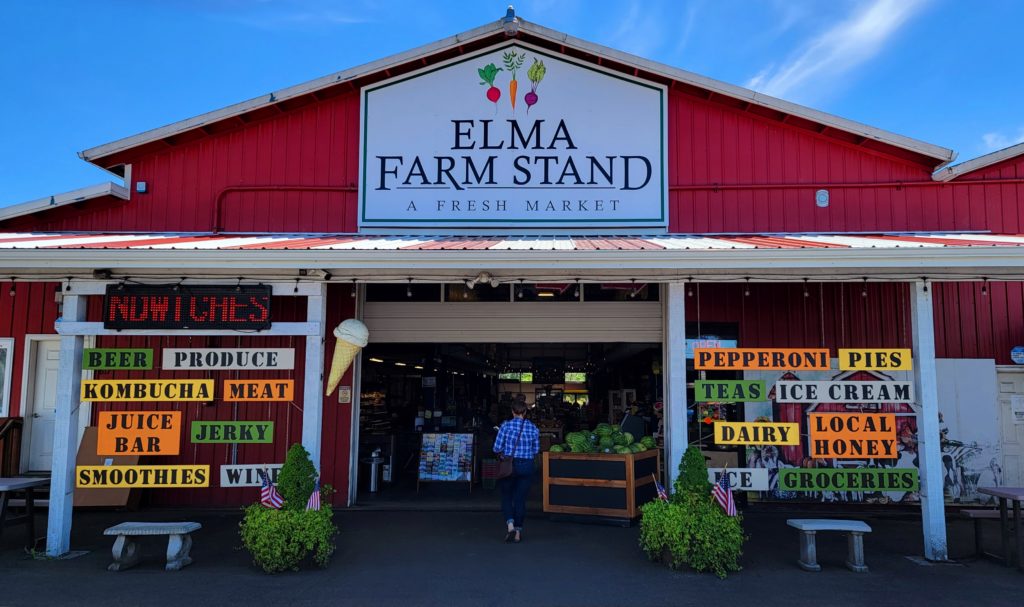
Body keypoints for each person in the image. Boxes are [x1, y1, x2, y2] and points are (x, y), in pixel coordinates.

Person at [493, 401, 540, 543]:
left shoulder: (505, 426)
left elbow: (496, 448)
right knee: (520, 499)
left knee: (507, 496)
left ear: (512, 412)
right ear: (525, 412)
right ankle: (518, 533)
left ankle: (510, 525)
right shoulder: (533, 428)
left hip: (509, 465)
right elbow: (536, 450)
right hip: (526, 465)